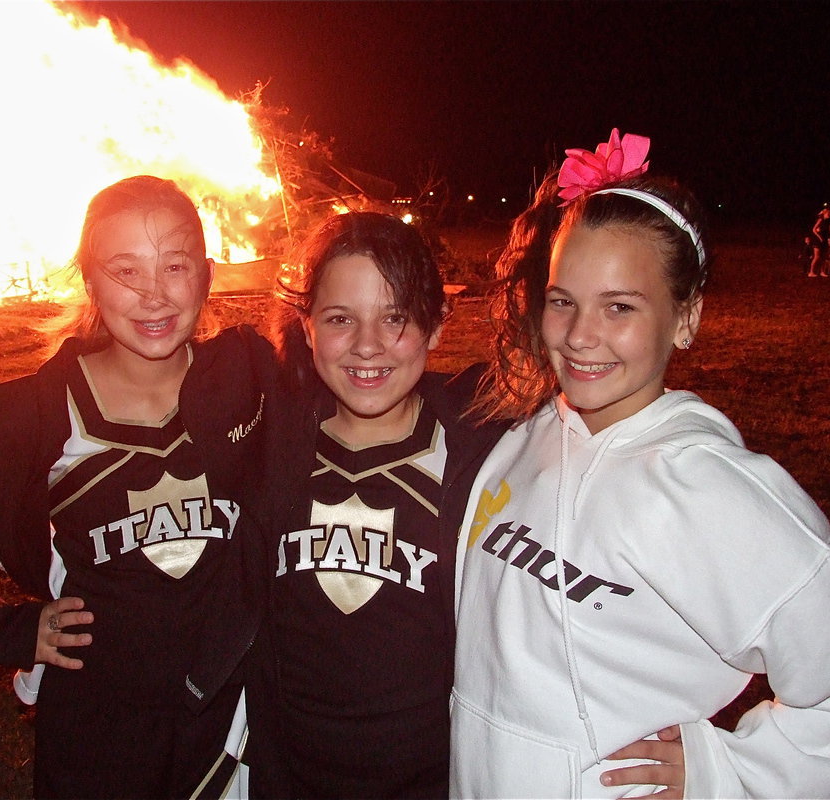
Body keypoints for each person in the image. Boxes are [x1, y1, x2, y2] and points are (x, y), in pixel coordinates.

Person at [450, 130, 830, 799]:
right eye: (563, 301)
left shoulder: (700, 485)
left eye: (620, 306)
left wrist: (726, 771)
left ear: (686, 317)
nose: (580, 333)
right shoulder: (523, 441)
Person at [0, 176, 274, 799]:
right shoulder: (26, 416)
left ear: (208, 273)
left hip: (231, 728)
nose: (154, 295)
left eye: (175, 266)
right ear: (89, 280)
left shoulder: (251, 383)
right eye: (125, 270)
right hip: (100, 732)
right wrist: (6, 632)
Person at [230, 211, 683, 798]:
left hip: (436, 776)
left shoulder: (484, 439)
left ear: (438, 325)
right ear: (307, 324)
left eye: (396, 318)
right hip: (287, 777)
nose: (368, 346)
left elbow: (571, 364)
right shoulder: (268, 438)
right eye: (341, 319)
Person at [806, 205, 830, 277]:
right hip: (817, 241)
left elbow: (826, 232)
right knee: (817, 257)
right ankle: (811, 272)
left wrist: (828, 239)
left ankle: (822, 272)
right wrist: (819, 237)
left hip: (823, 241)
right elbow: (814, 229)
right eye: (829, 213)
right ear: (825, 213)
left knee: (823, 257)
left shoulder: (826, 222)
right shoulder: (820, 220)